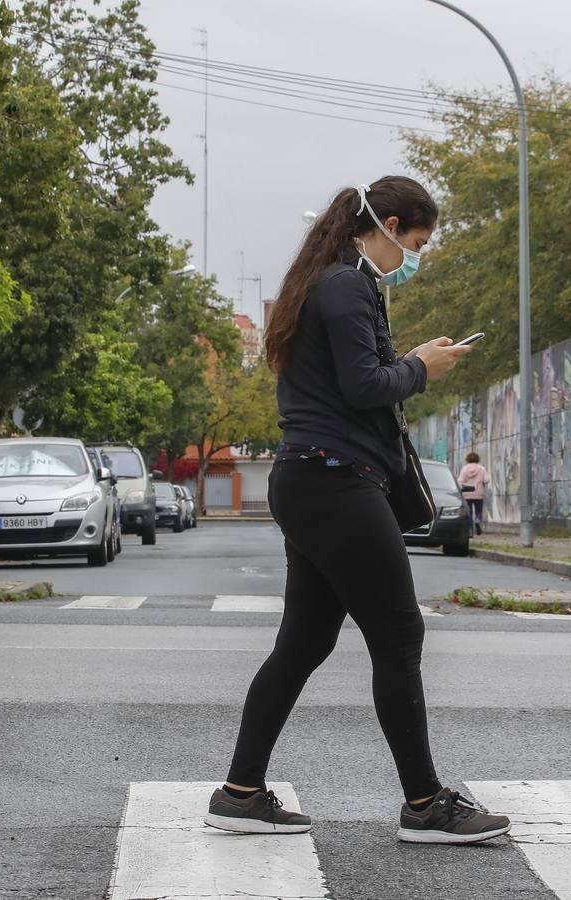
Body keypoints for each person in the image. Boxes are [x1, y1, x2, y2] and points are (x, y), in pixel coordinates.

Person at [203, 175, 511, 845]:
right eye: (417, 243)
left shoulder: (335, 281)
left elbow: (356, 383)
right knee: (399, 637)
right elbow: (366, 385)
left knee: (305, 642)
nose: (415, 257)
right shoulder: (345, 285)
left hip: (315, 479)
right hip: (335, 482)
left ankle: (240, 791)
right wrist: (422, 366)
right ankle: (426, 804)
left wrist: (412, 362)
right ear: (390, 225)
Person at [457, 451, 490, 535]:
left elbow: (460, 481)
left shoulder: (464, 469)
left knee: (469, 512)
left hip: (467, 494)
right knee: (478, 511)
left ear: (467, 459)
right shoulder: (482, 468)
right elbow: (486, 480)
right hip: (478, 494)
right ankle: (477, 520)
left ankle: (470, 530)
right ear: (477, 459)